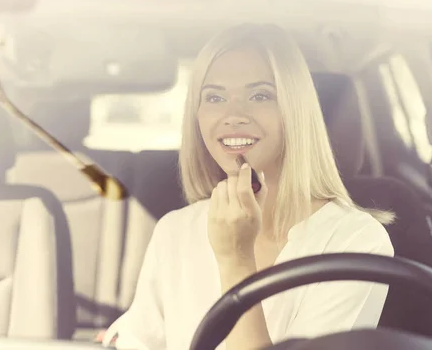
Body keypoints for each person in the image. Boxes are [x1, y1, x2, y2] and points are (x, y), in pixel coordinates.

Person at [102, 23, 394, 350]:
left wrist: (236, 261)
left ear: (294, 110)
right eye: (214, 97)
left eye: (259, 95)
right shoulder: (175, 230)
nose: (233, 114)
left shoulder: (354, 242)